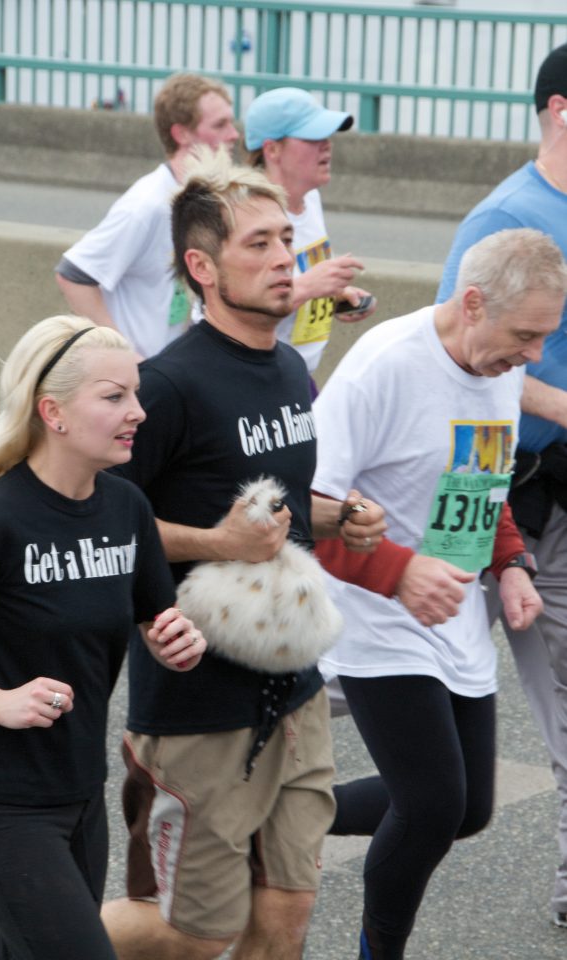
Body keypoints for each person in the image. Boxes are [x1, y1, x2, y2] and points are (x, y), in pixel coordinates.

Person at [98, 147, 387, 960]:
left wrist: (336, 517)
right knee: (194, 932)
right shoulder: (167, 385)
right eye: (256, 243)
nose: (282, 257)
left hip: (293, 689)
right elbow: (104, 525)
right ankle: (27, 941)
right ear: (201, 265)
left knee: (287, 915)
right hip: (197, 703)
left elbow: (273, 504)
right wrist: (217, 543)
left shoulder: (292, 367)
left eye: (285, 239)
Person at [311, 228, 567, 960]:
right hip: (372, 609)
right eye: (526, 334)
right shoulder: (385, 367)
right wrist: (397, 570)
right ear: (473, 302)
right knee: (428, 806)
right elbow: (303, 510)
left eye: (546, 337)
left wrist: (511, 561)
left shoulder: (501, 366)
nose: (535, 356)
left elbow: (481, 479)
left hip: (450, 610)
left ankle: (281, 811)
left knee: (469, 809)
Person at [0, 314, 205, 960]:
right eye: (113, 397)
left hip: (81, 796)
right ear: (51, 413)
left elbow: (154, 619)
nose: (137, 411)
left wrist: (175, 639)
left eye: (135, 393)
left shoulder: (126, 509)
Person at [436, 41, 567, 930]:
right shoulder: (508, 215)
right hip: (480, 478)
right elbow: (467, 362)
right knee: (362, 667)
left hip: (554, 499)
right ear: (563, 110)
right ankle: (217, 755)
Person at [55, 72, 239, 360]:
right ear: (181, 134)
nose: (234, 135)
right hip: (142, 381)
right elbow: (74, 275)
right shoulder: (147, 205)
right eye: (220, 125)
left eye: (231, 122)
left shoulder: (198, 199)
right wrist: (126, 357)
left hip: (175, 371)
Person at [243, 86, 377, 388]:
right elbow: (230, 310)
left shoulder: (309, 198)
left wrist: (334, 294)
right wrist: (308, 287)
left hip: (297, 376)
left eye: (327, 137)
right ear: (272, 149)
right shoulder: (246, 213)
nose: (327, 146)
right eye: (313, 138)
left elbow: (296, 280)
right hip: (253, 378)